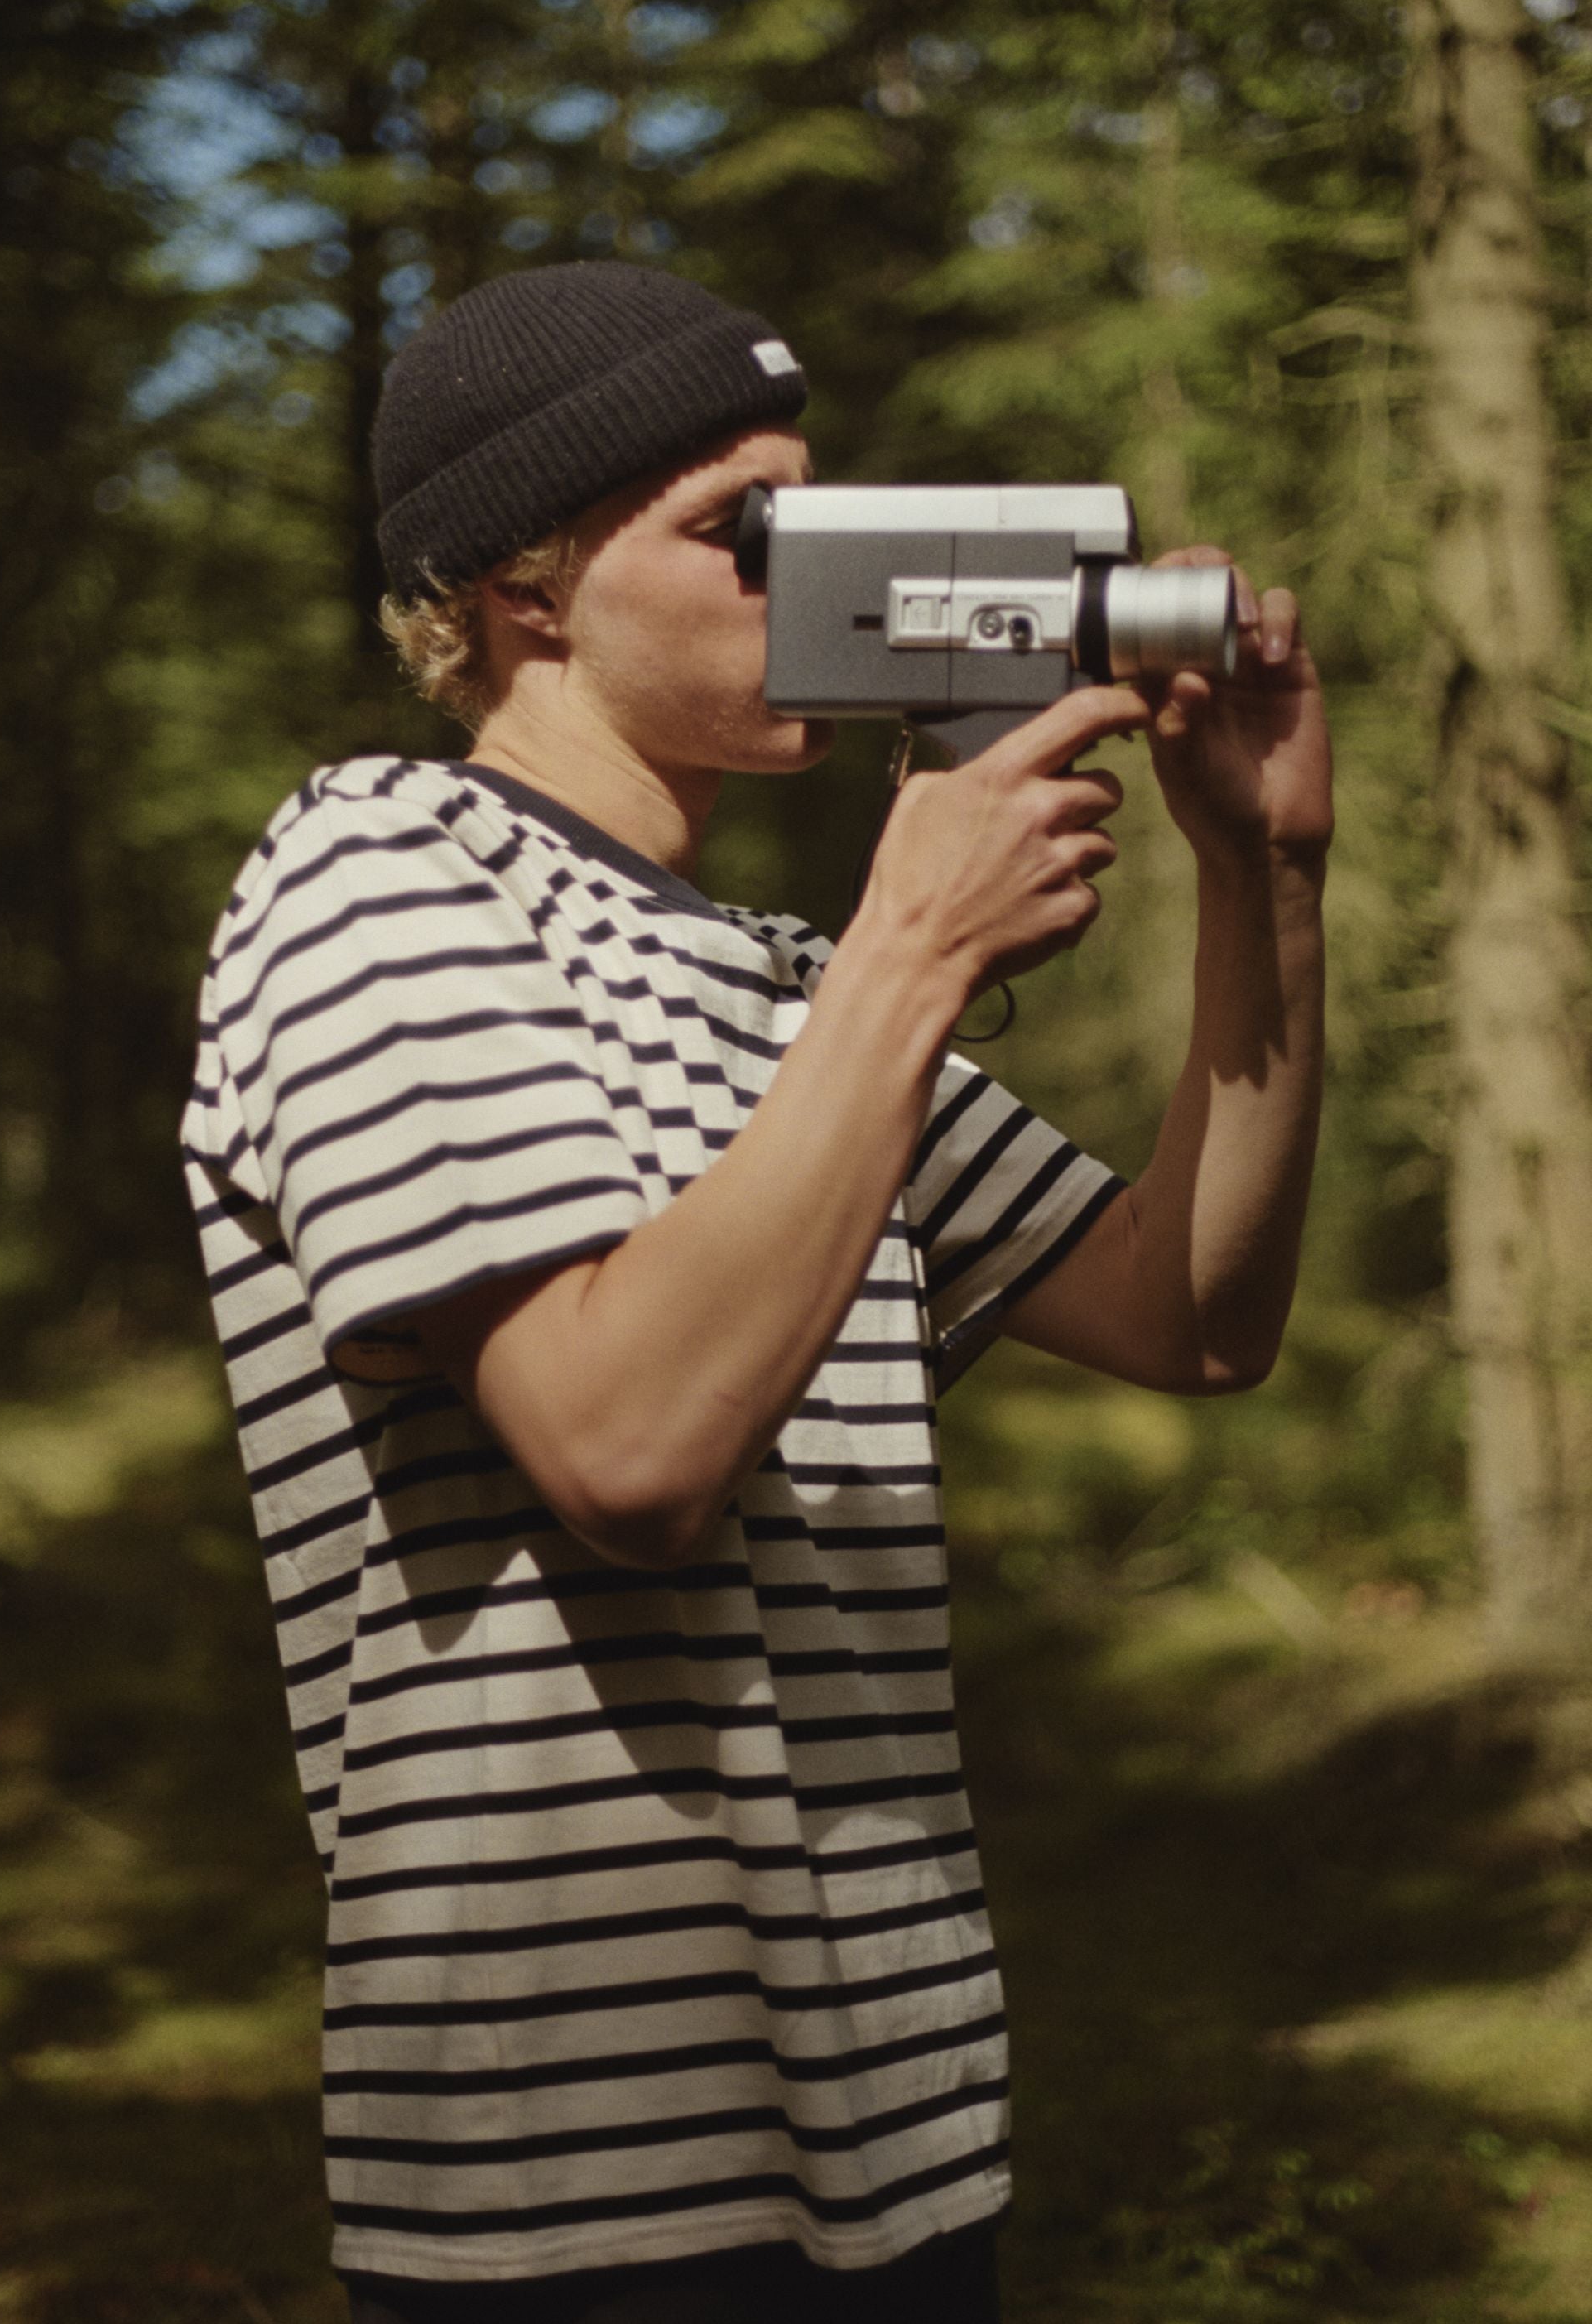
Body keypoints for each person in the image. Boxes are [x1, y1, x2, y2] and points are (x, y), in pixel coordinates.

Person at [182, 261, 1331, 2324]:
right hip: (569, 2180)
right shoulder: (374, 873)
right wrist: (908, 958)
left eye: (819, 511)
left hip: (898, 2132)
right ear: (523, 585)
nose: (805, 579)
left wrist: (1260, 873)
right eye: (741, 530)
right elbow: (620, 1449)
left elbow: (1192, 1312)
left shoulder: (780, 990)